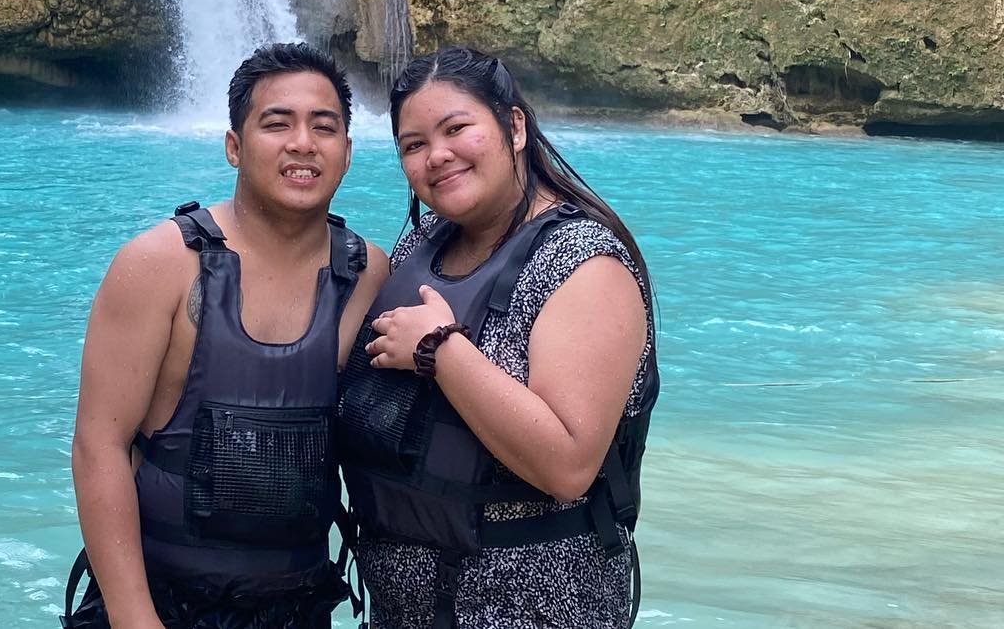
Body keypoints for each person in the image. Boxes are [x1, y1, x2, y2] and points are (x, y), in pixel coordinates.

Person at [67, 41, 390, 629]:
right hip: (163, 602)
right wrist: (136, 620)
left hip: (299, 605)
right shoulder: (158, 263)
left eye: (325, 126)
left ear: (346, 152)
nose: (302, 143)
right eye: (277, 123)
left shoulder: (367, 271)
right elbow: (99, 447)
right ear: (234, 147)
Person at [339, 46, 658, 629]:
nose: (437, 156)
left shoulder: (584, 264)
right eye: (413, 145)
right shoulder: (425, 246)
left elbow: (568, 466)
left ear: (514, 126)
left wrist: (440, 349)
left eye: (456, 128)